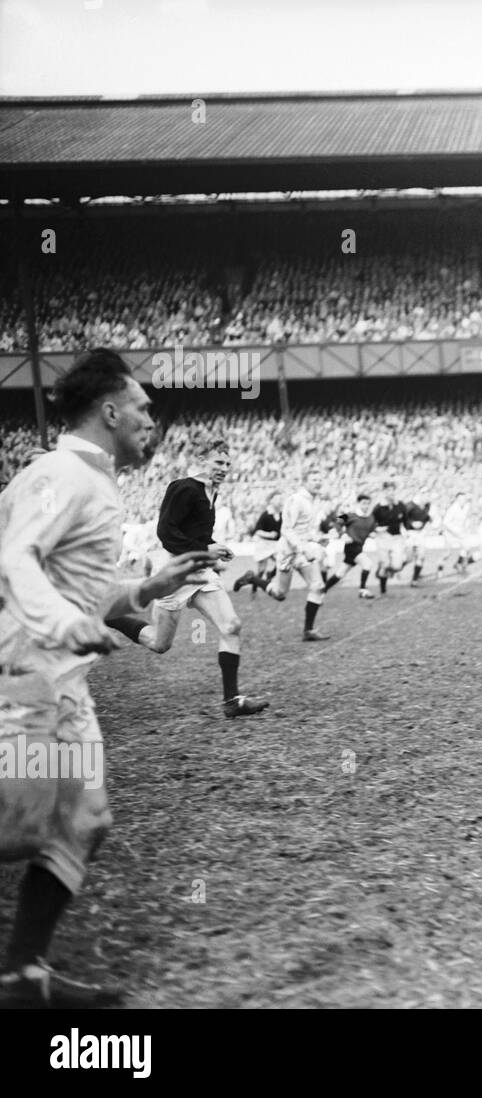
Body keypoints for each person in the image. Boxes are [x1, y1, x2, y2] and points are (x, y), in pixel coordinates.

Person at [0, 348, 217, 1006]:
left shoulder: (94, 481)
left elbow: (82, 589)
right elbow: (16, 561)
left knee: (86, 821)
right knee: (16, 827)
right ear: (110, 410)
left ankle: (22, 977)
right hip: (25, 678)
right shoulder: (61, 473)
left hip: (63, 684)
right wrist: (66, 628)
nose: (153, 420)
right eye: (144, 409)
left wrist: (147, 586)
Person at [105, 440, 268, 718]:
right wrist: (206, 549)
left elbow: (194, 534)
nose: (224, 468)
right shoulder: (183, 487)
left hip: (201, 573)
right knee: (159, 644)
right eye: (218, 462)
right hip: (176, 573)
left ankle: (232, 701)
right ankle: (109, 615)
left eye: (227, 464)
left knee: (231, 626)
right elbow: (166, 533)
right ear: (202, 460)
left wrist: (215, 546)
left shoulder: (210, 492)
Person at [233, 472, 331, 641]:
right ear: (305, 482)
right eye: (314, 479)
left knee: (318, 586)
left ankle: (309, 630)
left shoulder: (314, 501)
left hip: (303, 551)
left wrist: (316, 538)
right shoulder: (296, 500)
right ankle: (252, 578)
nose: (318, 483)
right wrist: (302, 547)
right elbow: (286, 529)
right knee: (280, 594)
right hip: (288, 551)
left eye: (320, 479)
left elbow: (305, 530)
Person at [322, 491, 378, 598]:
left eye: (368, 503)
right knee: (367, 564)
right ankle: (363, 590)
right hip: (351, 547)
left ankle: (322, 590)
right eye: (363, 503)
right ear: (358, 504)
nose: (366, 506)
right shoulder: (350, 515)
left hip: (360, 547)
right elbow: (336, 521)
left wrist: (373, 533)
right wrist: (342, 534)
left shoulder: (371, 518)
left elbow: (373, 528)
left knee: (340, 573)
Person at [246, 491, 283, 595]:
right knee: (261, 570)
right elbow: (257, 531)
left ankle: (270, 575)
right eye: (277, 499)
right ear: (271, 501)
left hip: (275, 545)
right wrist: (269, 534)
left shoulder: (281, 514)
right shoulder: (266, 515)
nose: (280, 501)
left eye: (281, 499)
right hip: (264, 544)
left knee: (281, 562)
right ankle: (254, 589)